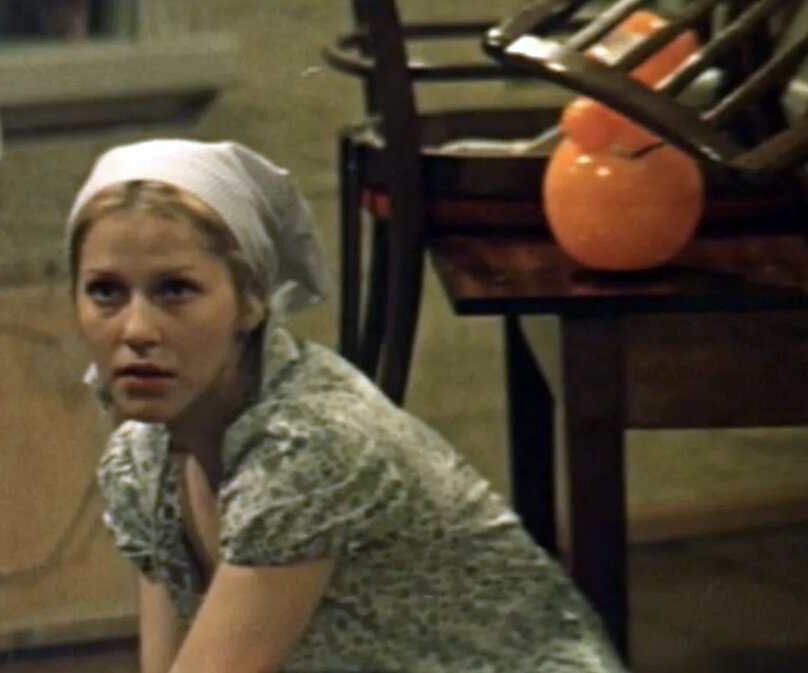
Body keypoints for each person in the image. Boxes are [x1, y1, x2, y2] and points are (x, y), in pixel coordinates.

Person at [65, 139, 627, 673]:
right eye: (106, 292)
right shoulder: (143, 457)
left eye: (175, 290)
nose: (136, 330)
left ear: (251, 300)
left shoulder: (310, 444)